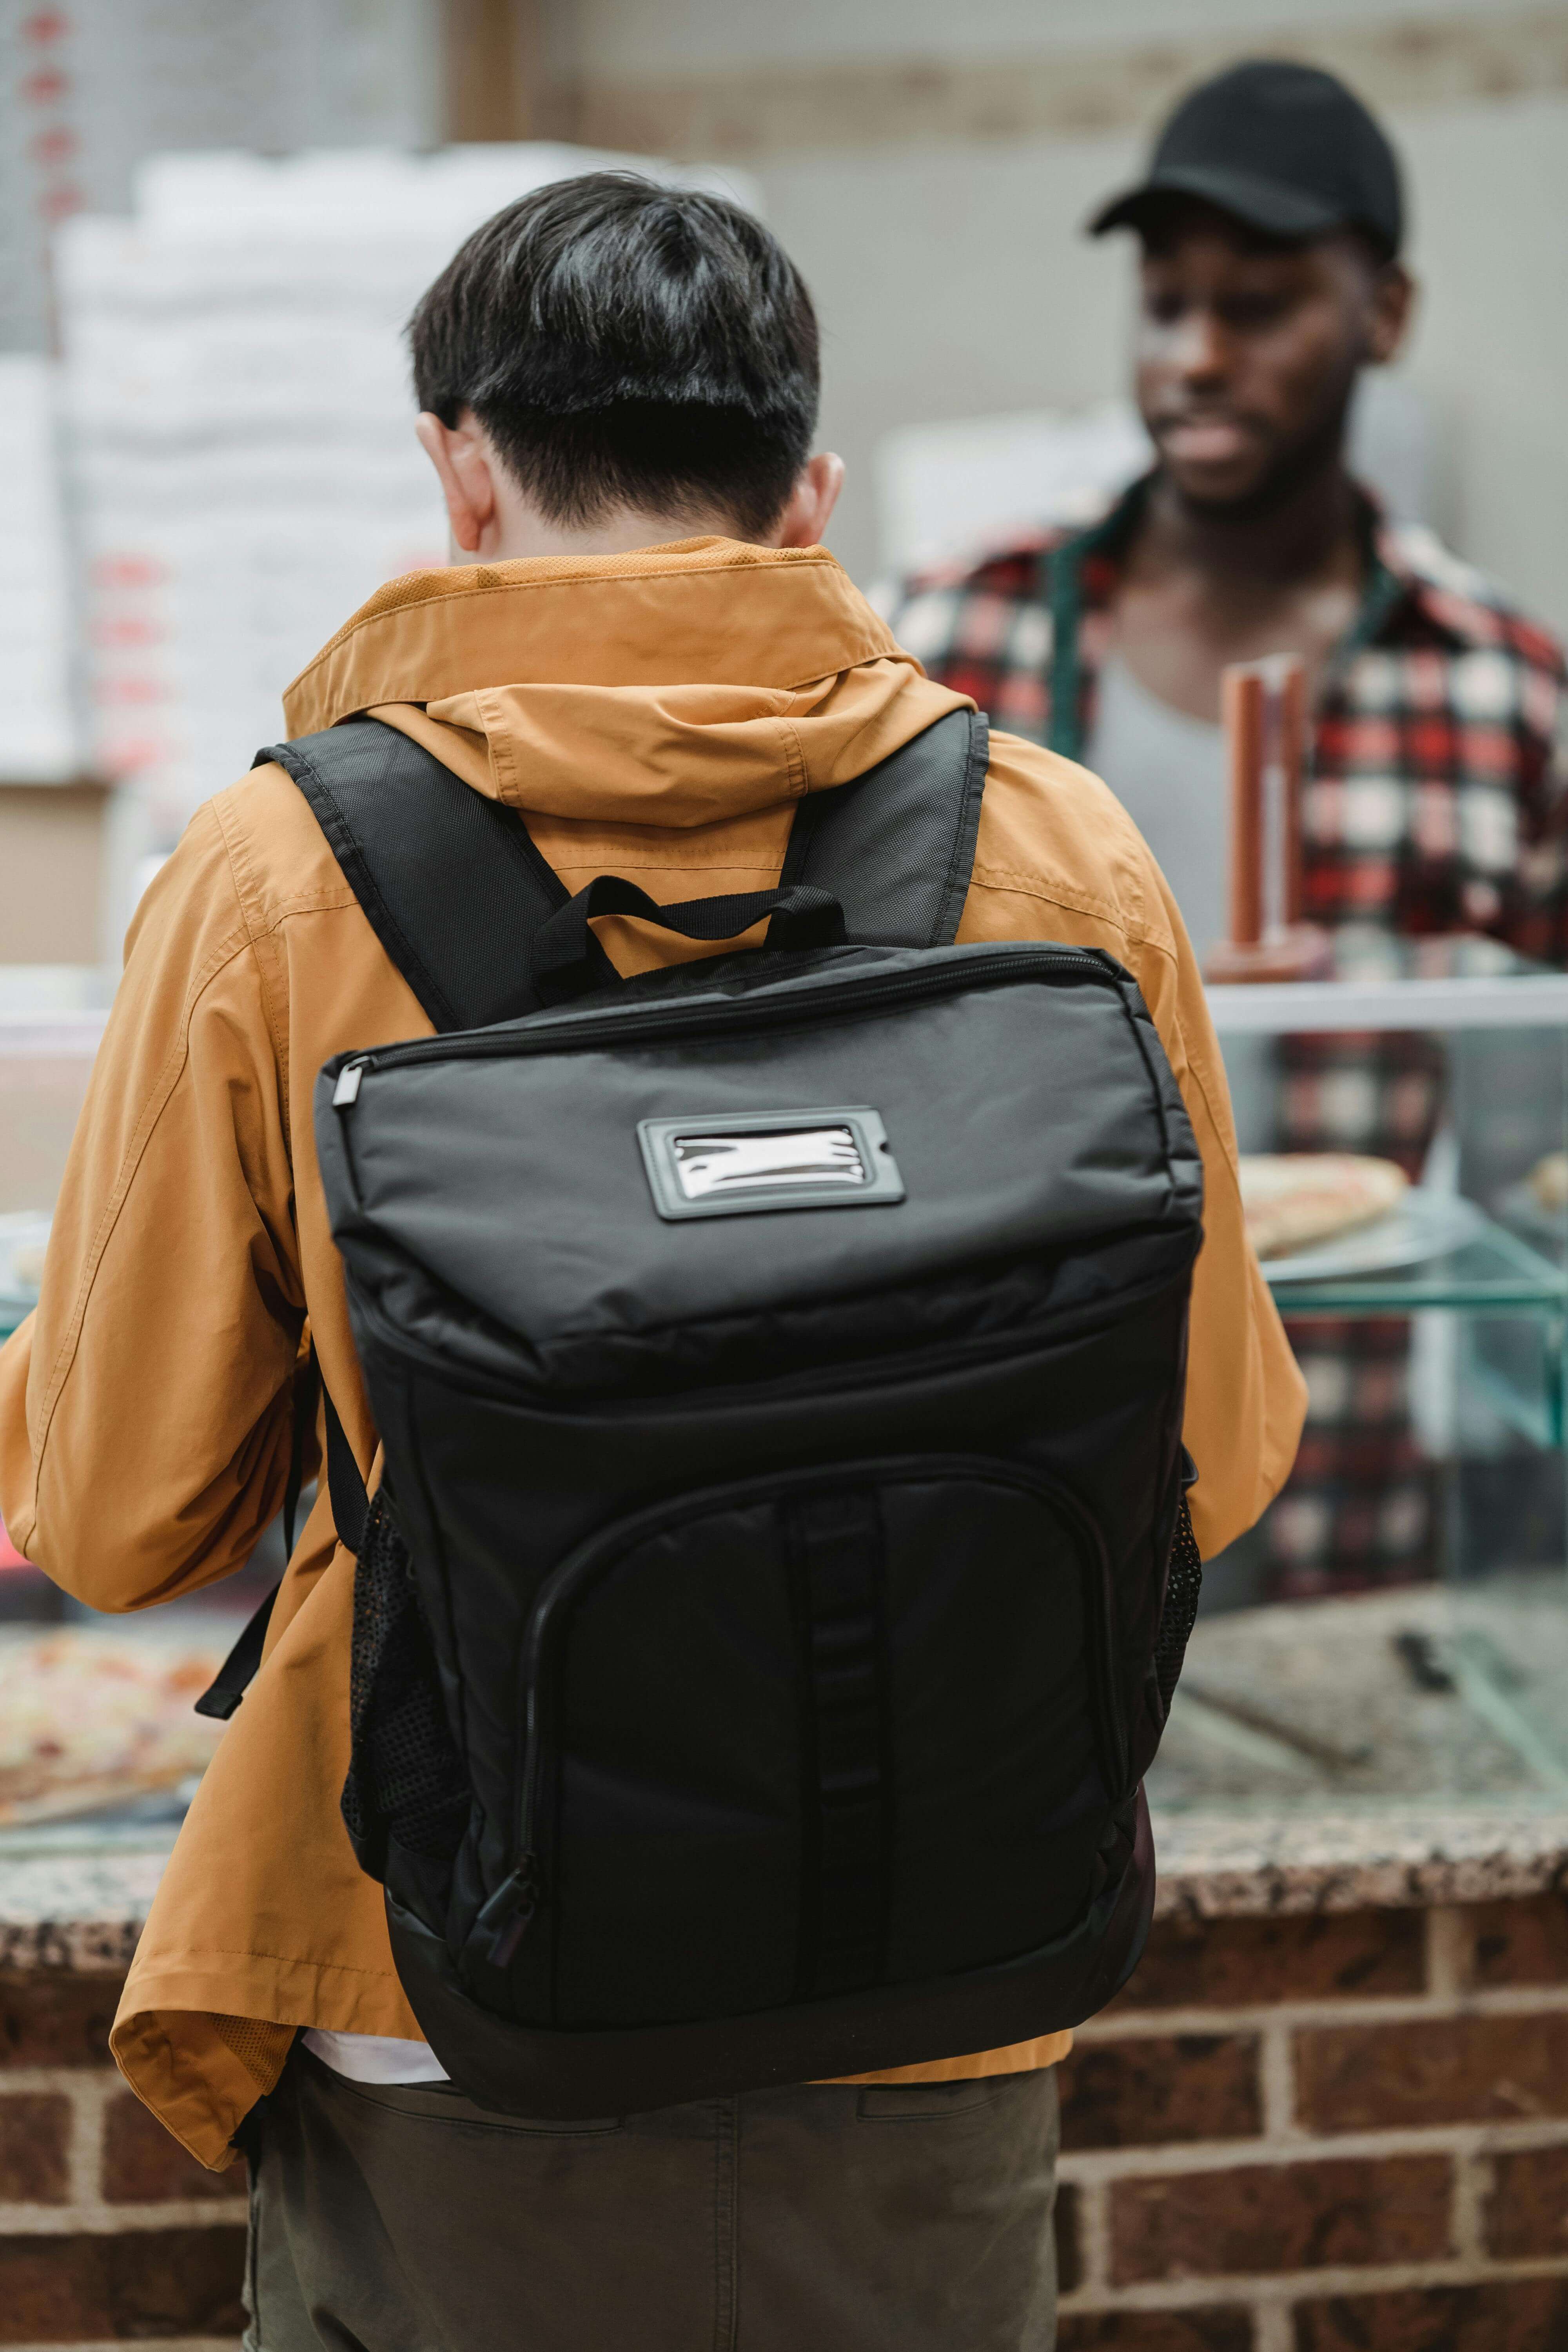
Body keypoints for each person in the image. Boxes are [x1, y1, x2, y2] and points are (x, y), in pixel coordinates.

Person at [0, 175, 1303, 2351]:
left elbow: (125, 1518)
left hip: (454, 1967)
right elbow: (1220, 1452)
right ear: (808, 495)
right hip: (947, 1949)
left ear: (463, 466)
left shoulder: (275, 874)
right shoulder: (1056, 845)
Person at [893, 61, 1568, 1595]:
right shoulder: (956, 630)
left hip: (1343, 1475)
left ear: (1382, 316)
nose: (1195, 356)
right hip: (1012, 1463)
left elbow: (1545, 1120)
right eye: (1165, 300)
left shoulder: (1497, 687)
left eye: (1258, 306)